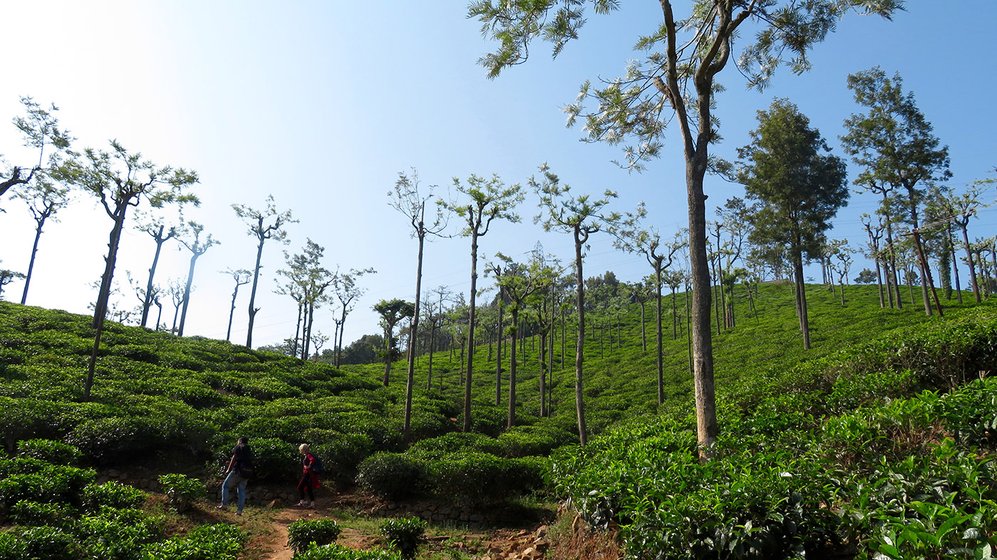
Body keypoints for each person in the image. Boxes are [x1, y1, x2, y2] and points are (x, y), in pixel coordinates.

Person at [218, 436, 253, 515]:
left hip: (237, 471)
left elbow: (234, 458)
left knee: (225, 486)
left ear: (240, 441)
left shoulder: (238, 447)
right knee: (241, 490)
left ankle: (224, 505)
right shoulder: (248, 448)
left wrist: (228, 469)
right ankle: (239, 511)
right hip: (247, 472)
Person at [296, 443, 320, 507]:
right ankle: (312, 503)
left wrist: (308, 467)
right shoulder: (308, 455)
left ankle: (302, 502)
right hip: (309, 474)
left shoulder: (308, 455)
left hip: (307, 474)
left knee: (300, 487)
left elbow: (312, 460)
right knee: (309, 489)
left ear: (303, 450)